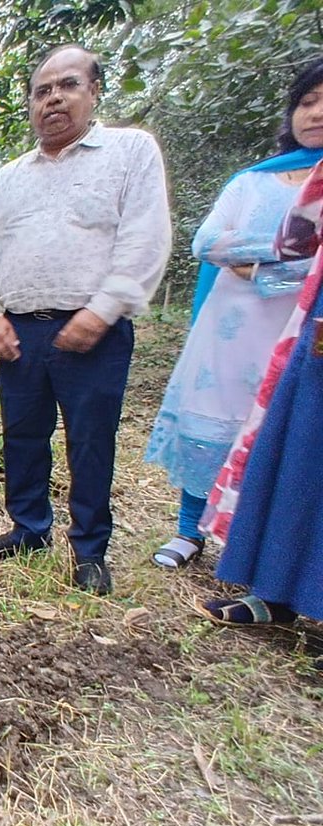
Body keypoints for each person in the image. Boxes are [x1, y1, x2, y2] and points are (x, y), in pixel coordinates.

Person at [0, 45, 172, 595]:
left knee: (90, 440)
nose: (53, 98)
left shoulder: (129, 153)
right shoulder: (10, 176)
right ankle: (29, 529)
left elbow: (145, 242)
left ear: (94, 90)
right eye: (42, 90)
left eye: (68, 85)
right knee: (23, 435)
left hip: (94, 333)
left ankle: (89, 548)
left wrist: (101, 312)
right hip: (20, 331)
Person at [146, 59, 323, 569]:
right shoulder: (253, 182)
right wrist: (286, 253)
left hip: (298, 330)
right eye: (306, 102)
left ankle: (255, 548)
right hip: (231, 328)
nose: (314, 113)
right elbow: (207, 241)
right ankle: (188, 530)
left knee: (279, 431)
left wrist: (259, 266)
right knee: (213, 419)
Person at [197, 151, 323, 626]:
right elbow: (294, 240)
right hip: (312, 330)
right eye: (308, 101)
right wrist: (270, 272)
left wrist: (254, 266)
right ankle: (279, 591)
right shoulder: (295, 178)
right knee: (303, 456)